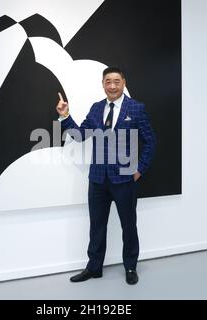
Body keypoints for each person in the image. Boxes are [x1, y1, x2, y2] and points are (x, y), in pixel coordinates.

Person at [56, 67, 156, 285]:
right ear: (103, 84)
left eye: (116, 81)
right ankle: (94, 268)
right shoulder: (96, 108)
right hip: (98, 180)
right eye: (108, 82)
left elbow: (150, 142)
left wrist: (139, 169)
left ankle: (130, 267)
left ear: (123, 83)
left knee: (128, 226)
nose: (112, 86)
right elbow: (80, 135)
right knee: (97, 226)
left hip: (125, 180)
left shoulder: (136, 108)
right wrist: (65, 116)